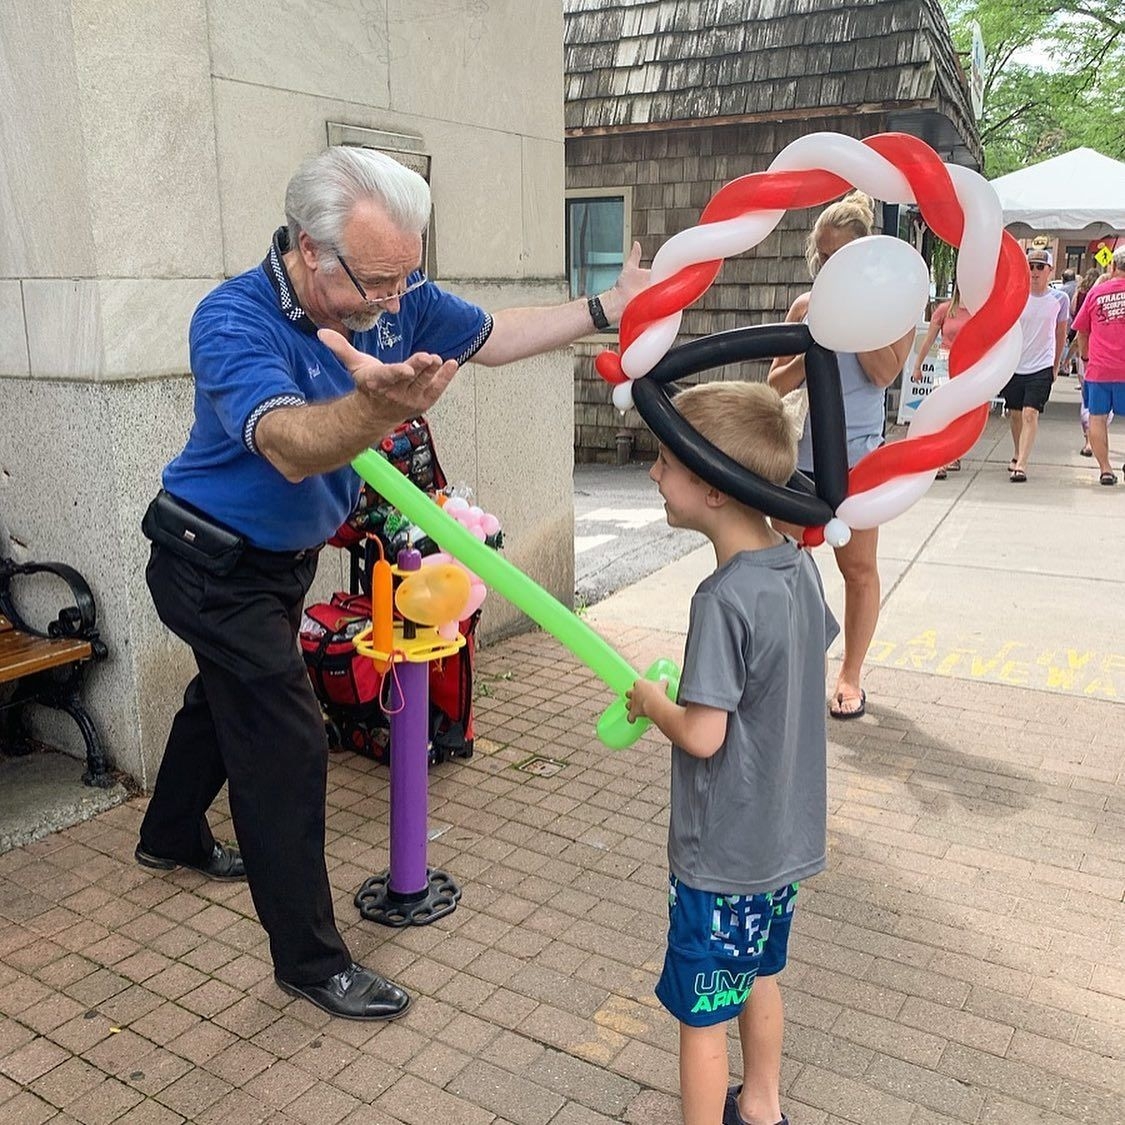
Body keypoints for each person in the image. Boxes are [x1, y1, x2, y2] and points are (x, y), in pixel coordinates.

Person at [135, 146, 649, 1020]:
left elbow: (492, 334)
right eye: (374, 283)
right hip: (208, 558)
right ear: (308, 248)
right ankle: (310, 960)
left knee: (224, 696)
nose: (392, 303)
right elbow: (292, 445)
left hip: (279, 560)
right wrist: (378, 407)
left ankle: (168, 833)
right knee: (286, 742)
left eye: (404, 279)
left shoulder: (393, 295)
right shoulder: (232, 319)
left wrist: (606, 306)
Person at [625, 381, 837, 1125]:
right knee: (759, 974)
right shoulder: (796, 566)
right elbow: (786, 671)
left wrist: (656, 702)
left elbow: (703, 734)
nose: (654, 474)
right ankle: (764, 1105)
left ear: (712, 488)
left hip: (722, 854)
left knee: (701, 1009)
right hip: (782, 842)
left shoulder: (720, 598)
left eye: (664, 461)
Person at [767, 192, 913, 720]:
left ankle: (850, 674)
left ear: (865, 257)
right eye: (823, 257)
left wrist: (848, 321)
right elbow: (775, 381)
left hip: (859, 462)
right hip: (798, 459)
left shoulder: (891, 309)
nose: (829, 267)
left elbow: (883, 374)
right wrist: (812, 340)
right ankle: (793, 665)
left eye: (841, 258)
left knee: (858, 570)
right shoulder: (805, 307)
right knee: (783, 563)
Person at [999, 248, 1068, 482]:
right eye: (1031, 266)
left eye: (1040, 267)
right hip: (1015, 363)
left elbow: (1061, 333)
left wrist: (1056, 364)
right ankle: (1018, 452)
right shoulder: (1016, 294)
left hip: (1041, 365)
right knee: (1016, 414)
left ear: (1050, 271)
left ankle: (1022, 464)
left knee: (1031, 413)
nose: (1035, 271)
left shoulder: (1060, 299)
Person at [1073, 247, 1125, 485]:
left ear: (1113, 267)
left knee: (1097, 418)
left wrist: (1085, 359)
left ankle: (1105, 469)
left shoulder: (1096, 294)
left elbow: (1082, 330)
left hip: (1100, 369)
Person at [910, 285, 972, 477]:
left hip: (966, 362)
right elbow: (929, 339)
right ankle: (940, 459)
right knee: (942, 410)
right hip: (945, 359)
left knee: (957, 412)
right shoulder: (945, 310)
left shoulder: (977, 310)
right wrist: (917, 365)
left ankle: (953, 454)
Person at [1074, 267, 1110, 456]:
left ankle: (1091, 443)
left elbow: (1080, 329)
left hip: (1093, 361)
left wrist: (1083, 357)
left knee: (1092, 408)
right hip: (1107, 362)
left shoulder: (1088, 296)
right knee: (1103, 413)